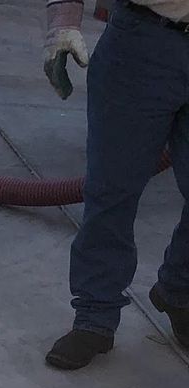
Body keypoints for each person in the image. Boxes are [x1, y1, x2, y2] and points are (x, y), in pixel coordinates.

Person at [43, 0, 189, 369]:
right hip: (143, 44)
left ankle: (178, 289)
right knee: (112, 191)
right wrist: (63, 22)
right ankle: (94, 318)